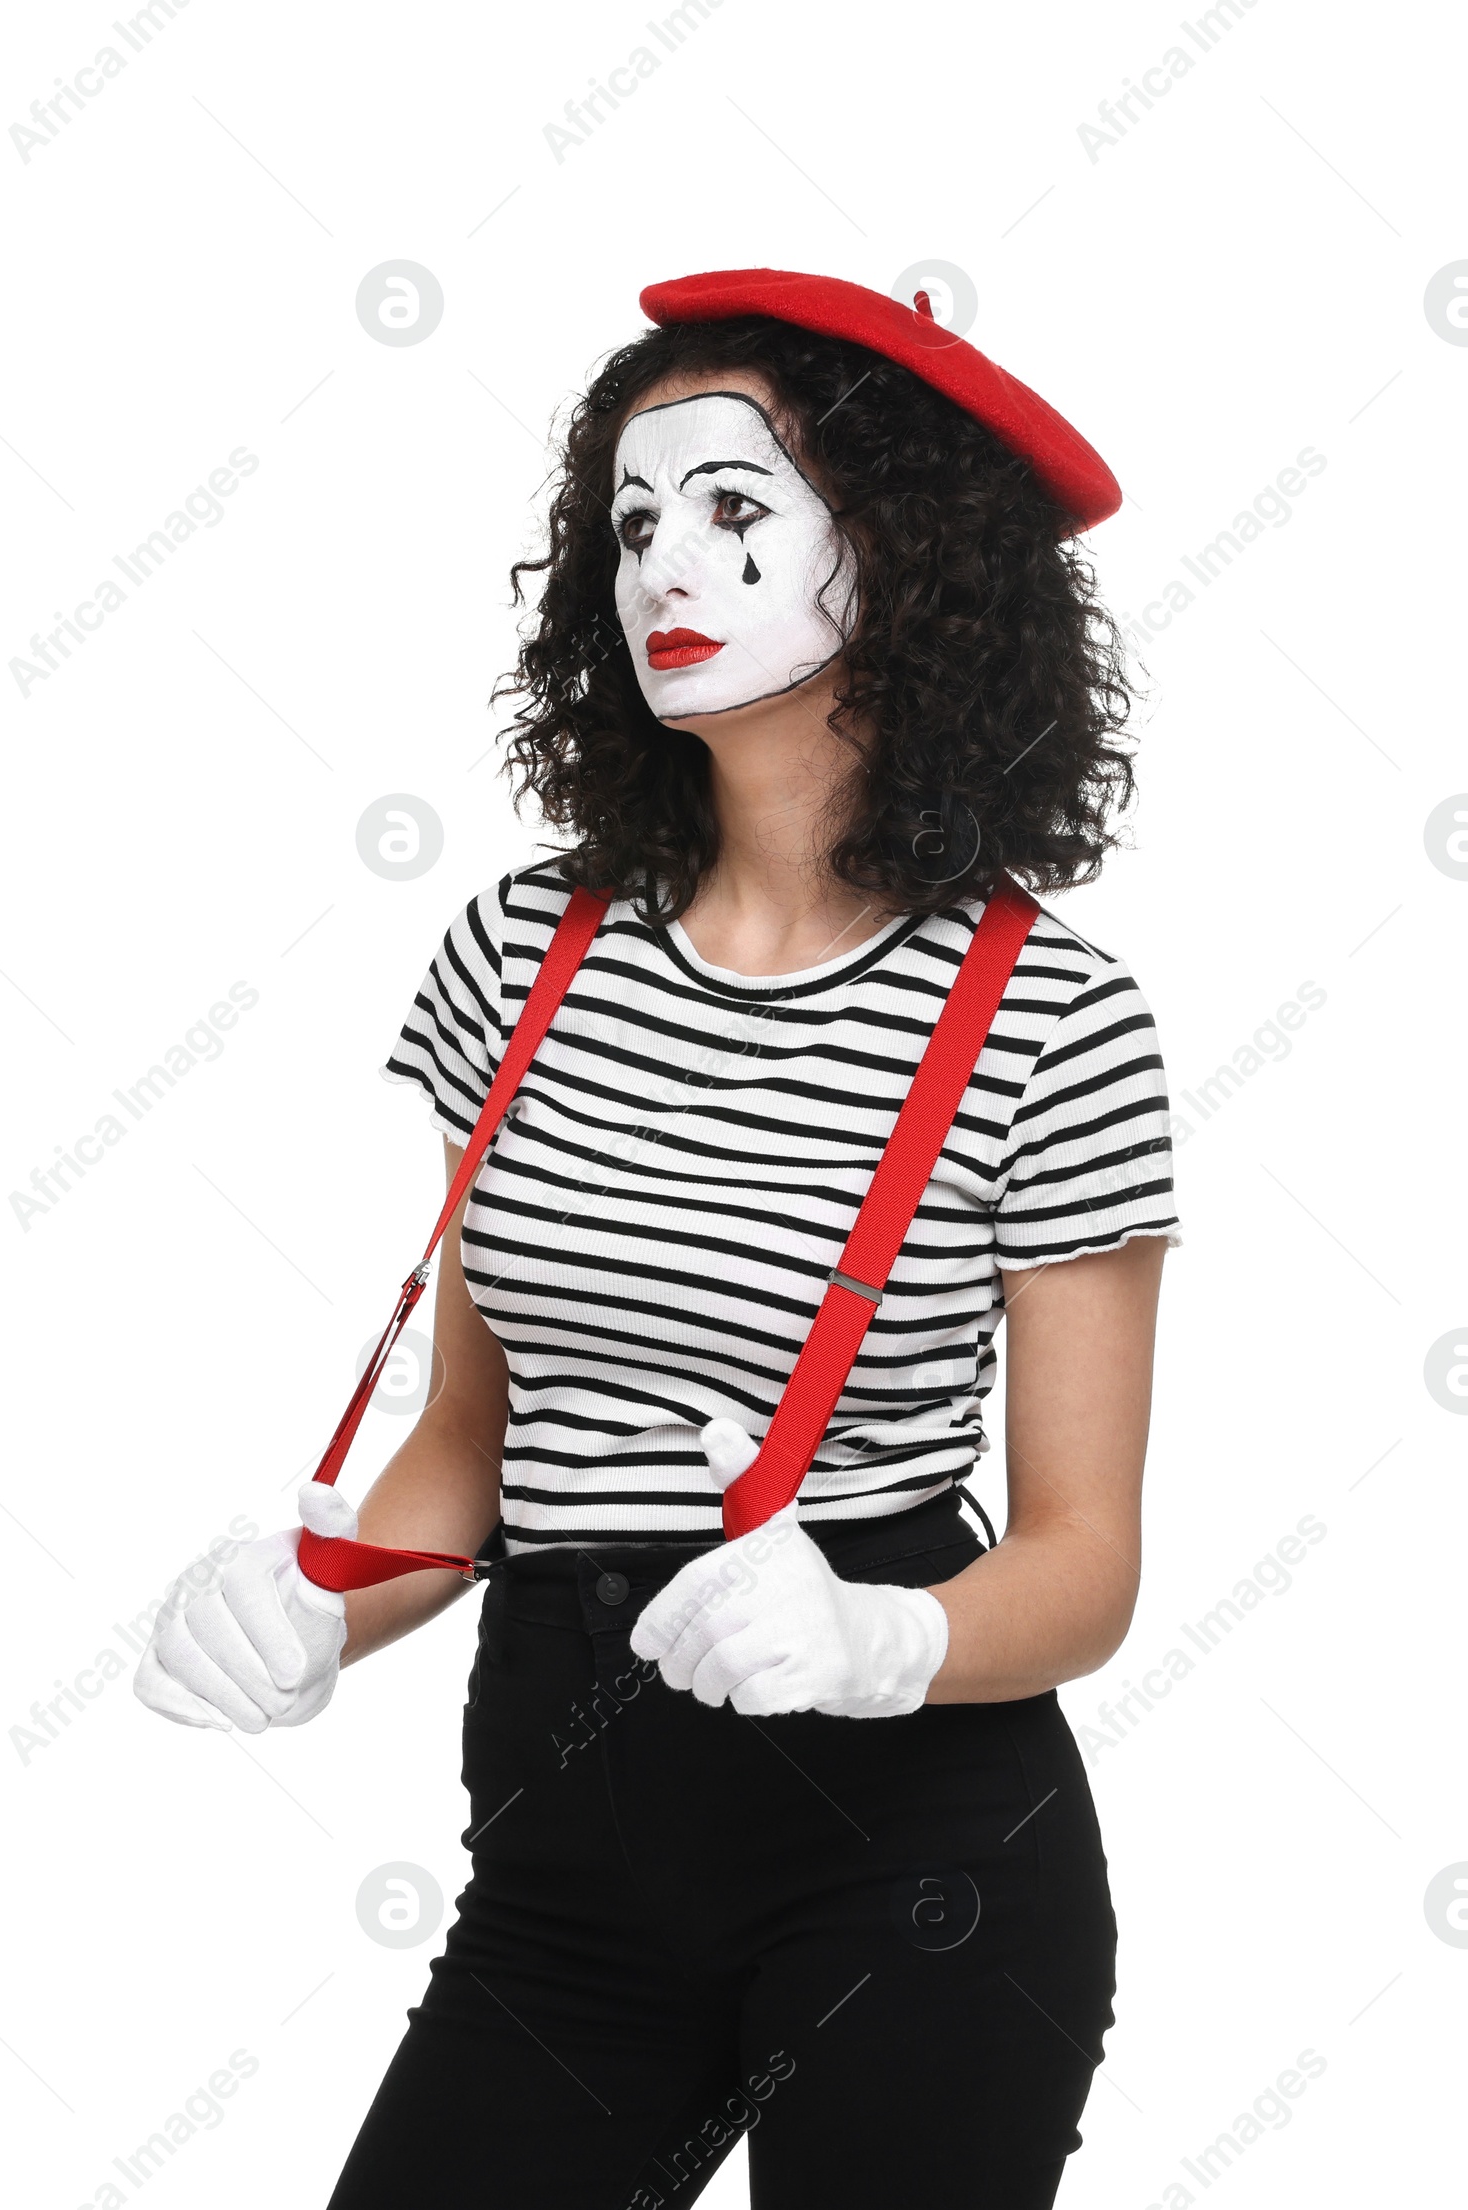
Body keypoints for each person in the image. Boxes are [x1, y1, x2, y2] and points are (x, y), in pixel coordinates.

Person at [136, 269, 1180, 2208]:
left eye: (728, 504)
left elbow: (1085, 1563)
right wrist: (314, 1601)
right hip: (564, 1870)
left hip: (918, 1876)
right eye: (627, 518)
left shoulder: (1051, 1019)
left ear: (910, 557)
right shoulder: (522, 956)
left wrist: (879, 1637)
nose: (658, 565)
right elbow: (467, 1457)